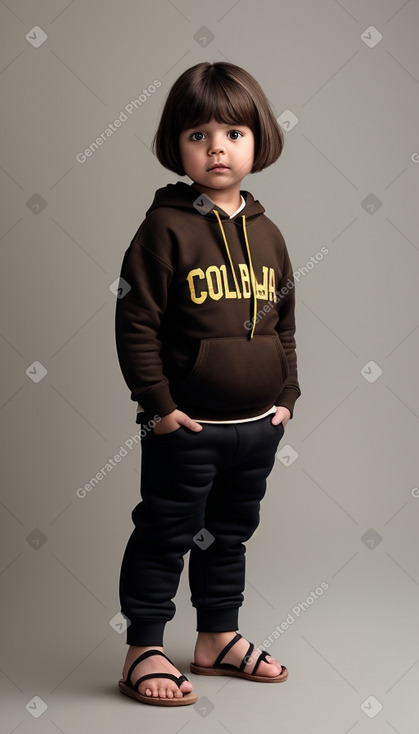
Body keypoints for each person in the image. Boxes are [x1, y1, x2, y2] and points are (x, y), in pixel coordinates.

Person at [115, 61, 301, 707]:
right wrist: (159, 408)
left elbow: (284, 326)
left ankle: (216, 639)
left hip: (254, 429)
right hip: (185, 426)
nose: (216, 147)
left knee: (229, 534)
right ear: (178, 145)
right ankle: (144, 648)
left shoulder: (269, 234)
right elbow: (135, 322)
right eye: (198, 135)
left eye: (232, 132)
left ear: (257, 141)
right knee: (166, 531)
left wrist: (285, 398)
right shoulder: (164, 229)